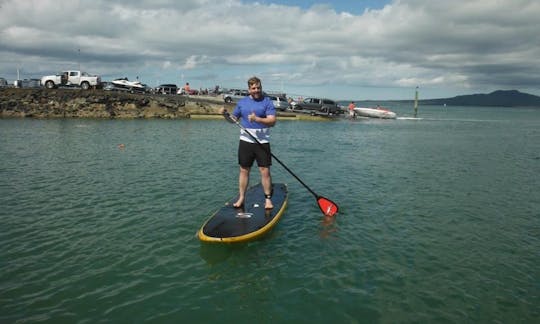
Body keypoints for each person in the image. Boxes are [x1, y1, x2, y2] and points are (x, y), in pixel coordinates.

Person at [230, 76, 277, 209]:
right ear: (249, 89)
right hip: (246, 141)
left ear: (261, 87)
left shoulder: (267, 101)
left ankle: (268, 199)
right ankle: (241, 198)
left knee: (265, 171)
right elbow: (233, 119)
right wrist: (226, 116)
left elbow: (272, 121)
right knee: (244, 170)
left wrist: (257, 119)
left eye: (258, 88)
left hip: (262, 141)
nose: (256, 90)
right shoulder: (242, 103)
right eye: (253, 88)